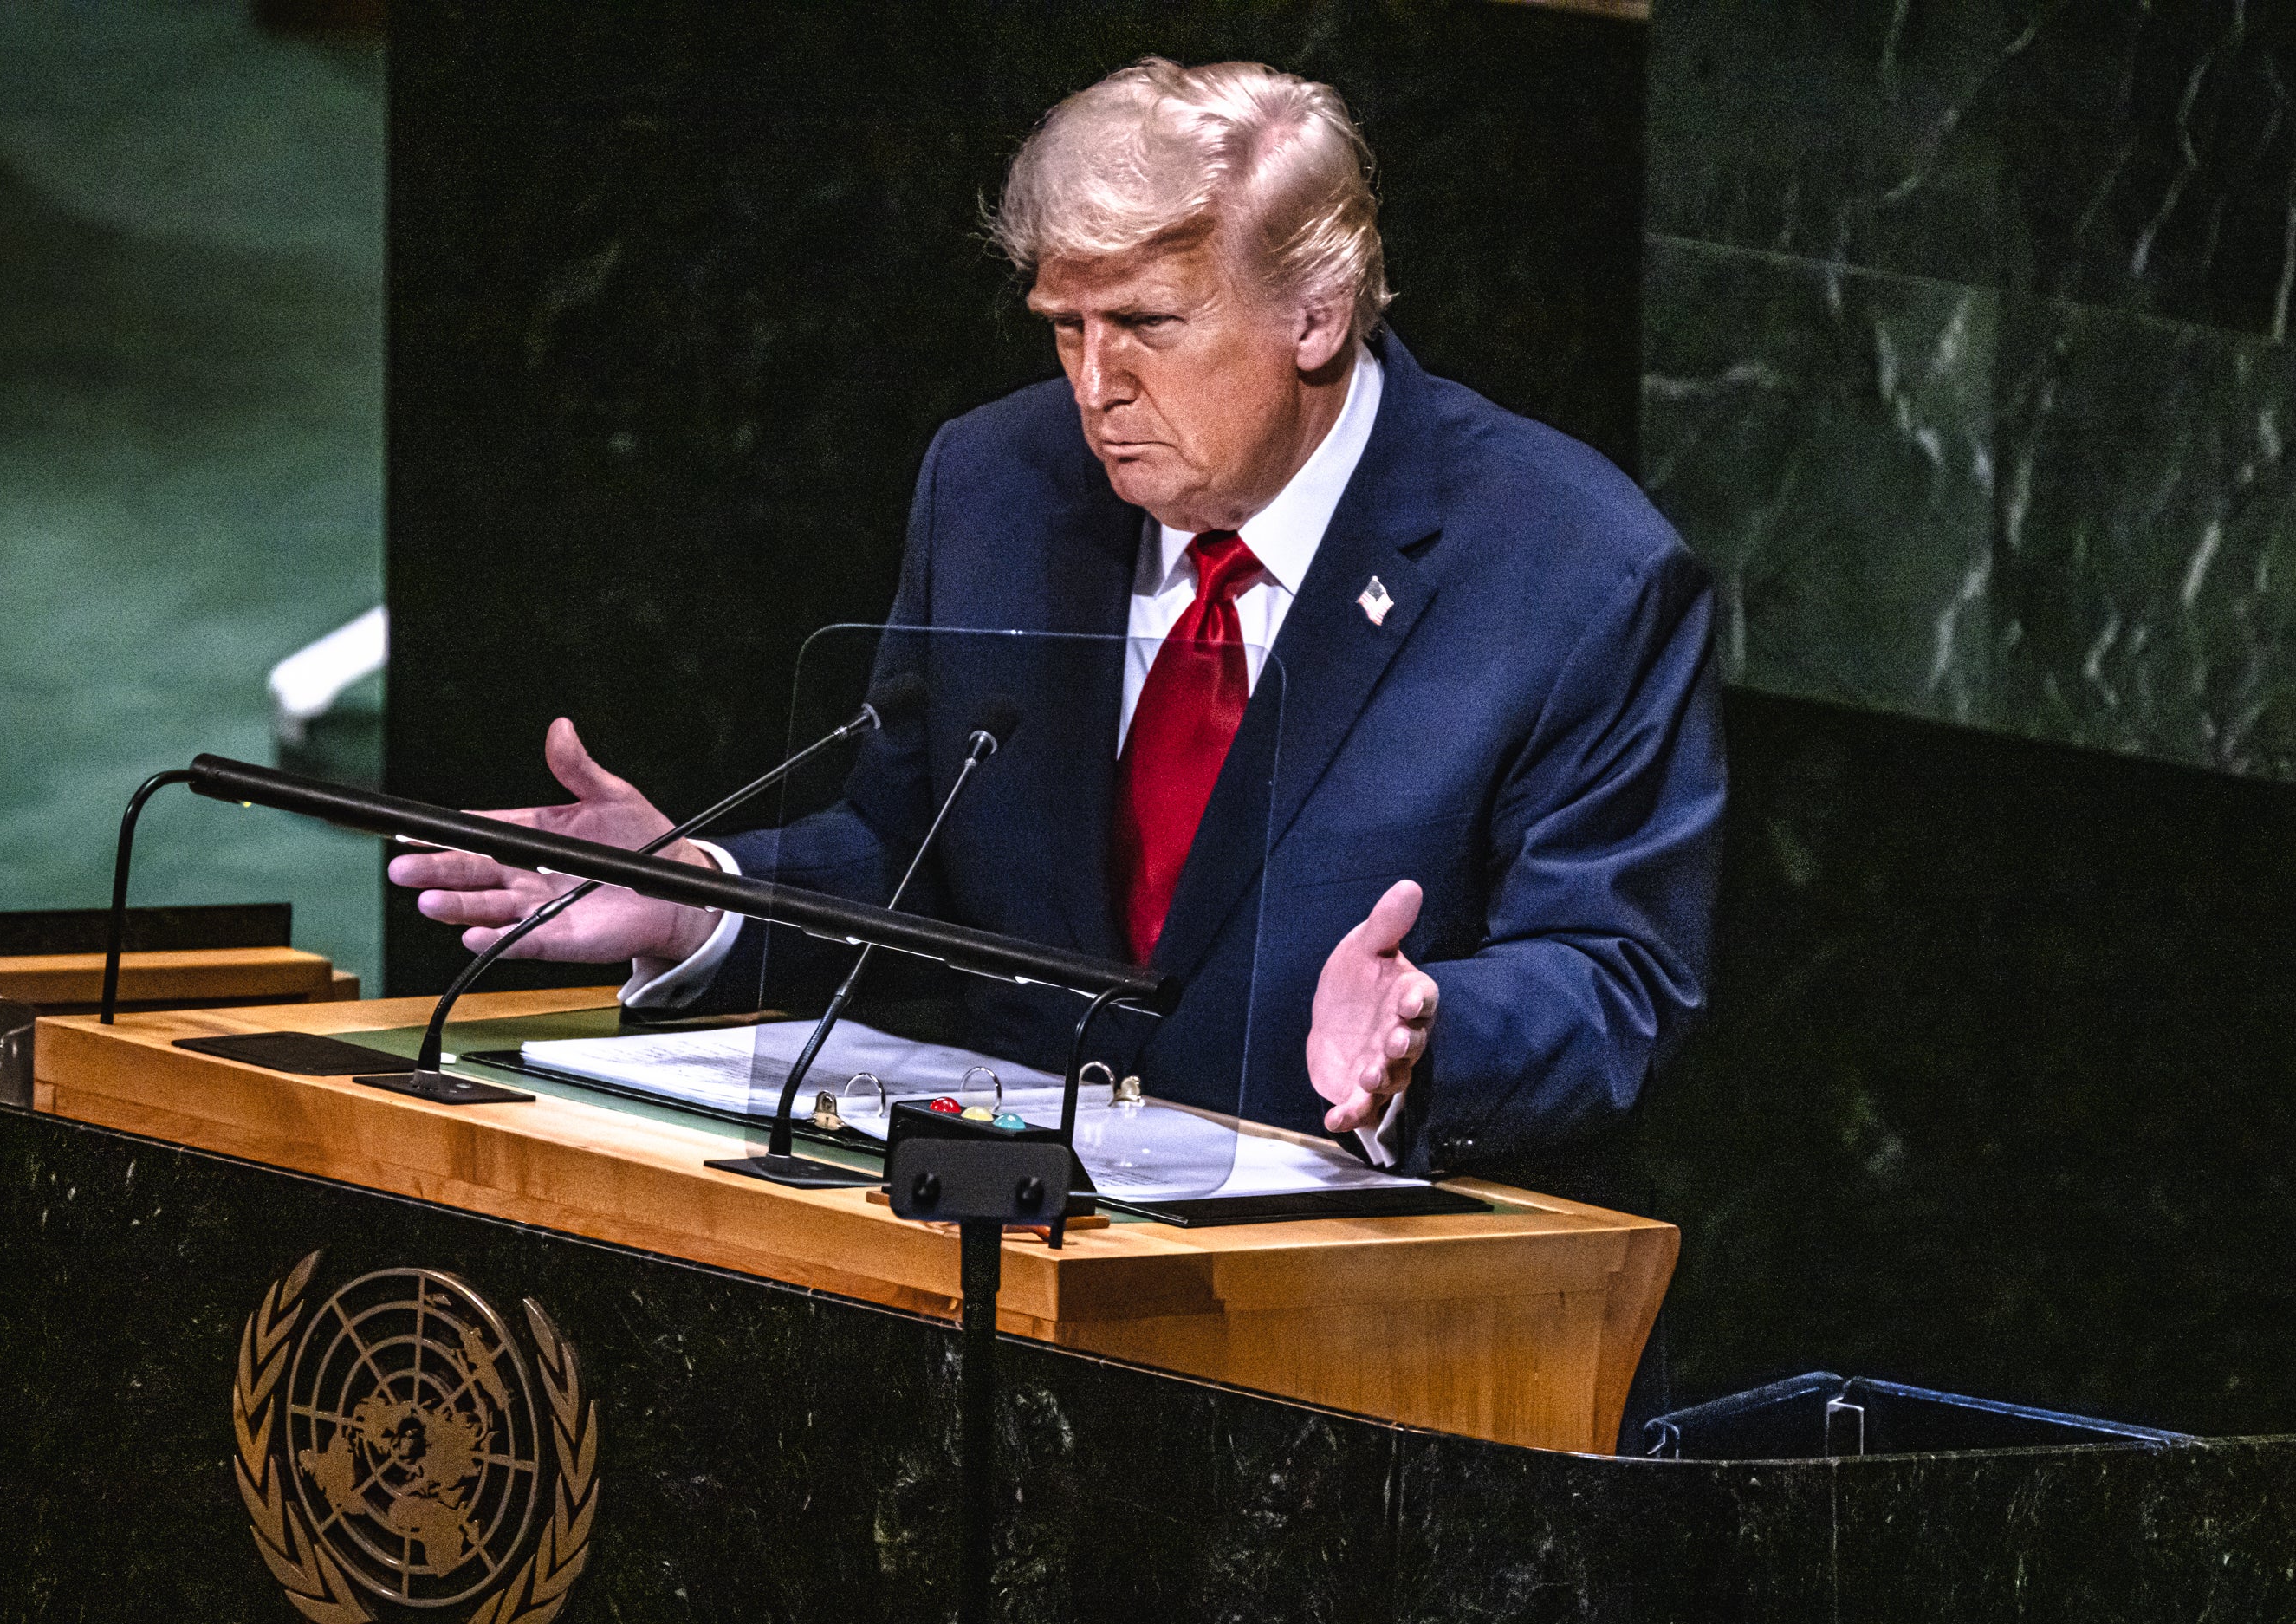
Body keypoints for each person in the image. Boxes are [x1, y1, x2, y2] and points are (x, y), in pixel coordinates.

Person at [390, 58, 1722, 1169]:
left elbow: (1613, 972)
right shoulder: (998, 485)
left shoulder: (1572, 569)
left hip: (1374, 1305)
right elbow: (907, 845)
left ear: (1316, 315)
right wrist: (698, 897)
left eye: (1146, 323)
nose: (1096, 385)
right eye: (1065, 325)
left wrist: (1428, 1032)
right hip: (1009, 1270)